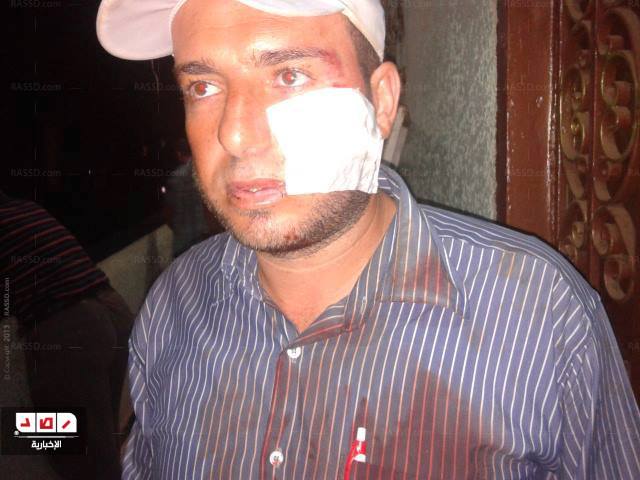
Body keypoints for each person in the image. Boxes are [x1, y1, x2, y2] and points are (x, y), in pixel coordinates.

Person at [96, 0, 640, 478]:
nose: (234, 135)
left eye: (290, 75)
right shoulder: (175, 305)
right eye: (203, 87)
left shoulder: (539, 313)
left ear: (381, 102)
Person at [0, 190, 133, 479]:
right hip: (113, 310)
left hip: (70, 327)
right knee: (106, 440)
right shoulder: (24, 208)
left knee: (76, 452)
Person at [164, 137, 211, 256]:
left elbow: (169, 210)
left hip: (183, 239)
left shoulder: (176, 178)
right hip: (201, 233)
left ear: (179, 153)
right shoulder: (202, 172)